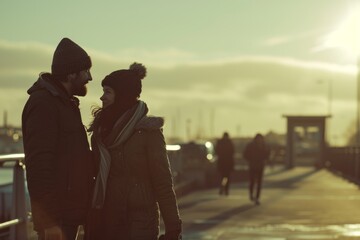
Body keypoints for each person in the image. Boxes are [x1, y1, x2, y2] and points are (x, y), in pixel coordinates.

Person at [85, 63, 182, 240]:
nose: (102, 97)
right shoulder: (100, 133)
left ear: (122, 95)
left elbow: (163, 182)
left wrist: (173, 228)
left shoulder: (148, 133)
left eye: (108, 92)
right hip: (108, 221)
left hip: (140, 224)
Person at [22, 37, 94, 240]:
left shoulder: (64, 103)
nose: (90, 78)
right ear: (71, 74)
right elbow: (39, 166)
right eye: (86, 71)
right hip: (58, 219)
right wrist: (50, 223)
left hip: (68, 214)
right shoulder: (44, 104)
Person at [243, 133, 270, 205]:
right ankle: (251, 194)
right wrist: (250, 160)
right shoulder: (251, 146)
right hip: (253, 166)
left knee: (259, 183)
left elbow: (267, 154)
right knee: (252, 181)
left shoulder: (264, 146)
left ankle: (257, 197)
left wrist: (265, 159)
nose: (259, 140)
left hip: (260, 166)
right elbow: (245, 154)